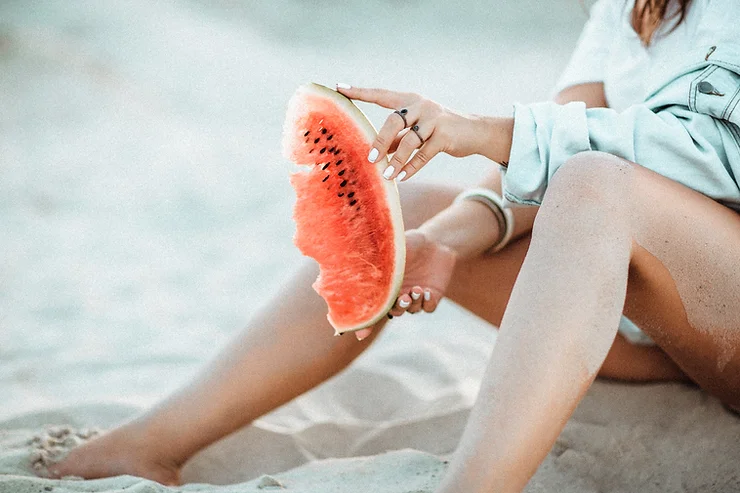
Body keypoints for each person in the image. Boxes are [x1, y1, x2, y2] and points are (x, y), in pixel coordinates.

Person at [49, 0, 740, 491]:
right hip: (660, 327)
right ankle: (149, 445)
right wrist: (450, 236)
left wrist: (478, 128)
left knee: (595, 184)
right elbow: (564, 141)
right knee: (410, 215)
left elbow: (712, 152)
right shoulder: (632, 5)